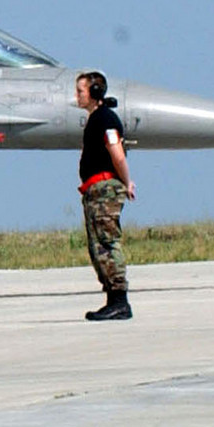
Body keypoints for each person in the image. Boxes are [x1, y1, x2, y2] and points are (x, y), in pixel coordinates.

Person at [77, 70, 134, 321]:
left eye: (80, 91)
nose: (77, 96)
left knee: (107, 243)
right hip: (94, 190)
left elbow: (117, 154)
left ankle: (120, 301)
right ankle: (113, 300)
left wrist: (127, 182)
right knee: (97, 246)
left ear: (95, 92)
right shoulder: (96, 119)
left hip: (105, 190)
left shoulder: (106, 120)